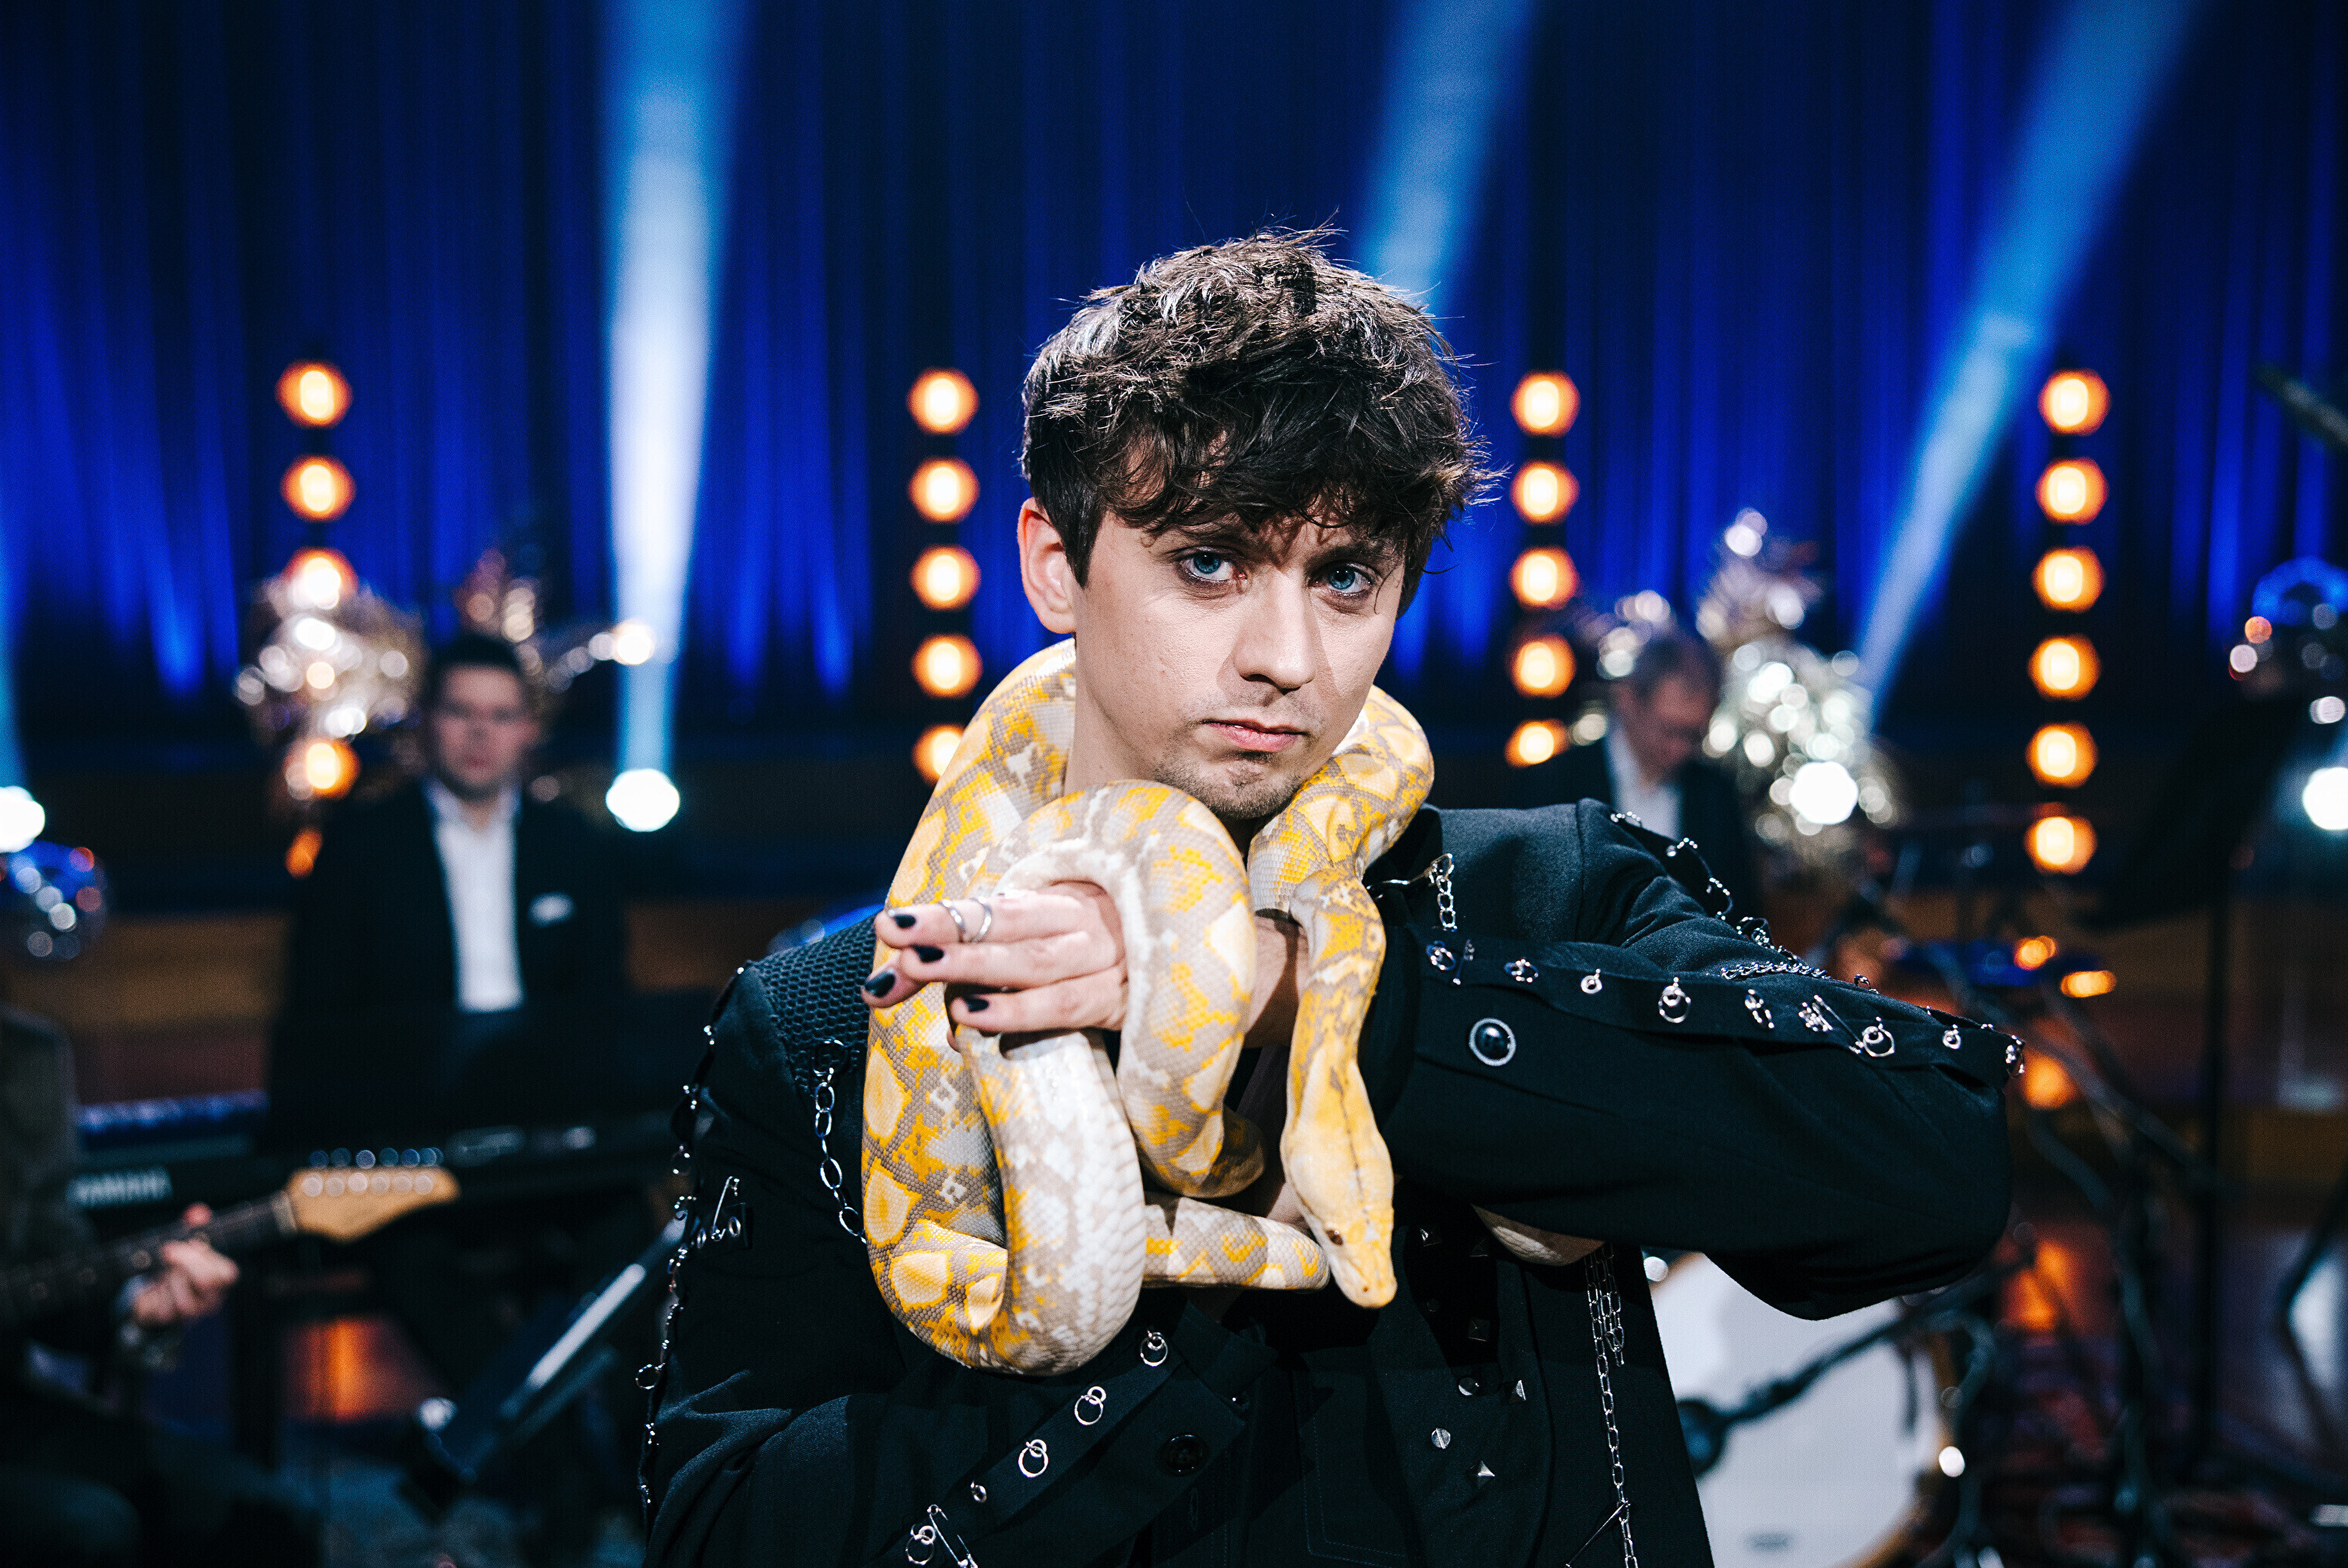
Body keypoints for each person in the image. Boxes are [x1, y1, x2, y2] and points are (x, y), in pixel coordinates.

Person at [641, 234, 2010, 1566]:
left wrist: (1294, 991)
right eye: (1208, 562)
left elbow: (1933, 1166)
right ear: (1056, 563)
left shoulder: (1546, 896)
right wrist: (1140, 1304)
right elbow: (718, 1526)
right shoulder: (834, 1019)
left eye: (1345, 577)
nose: (1286, 658)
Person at [272, 631, 629, 1136]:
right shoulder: (360, 847)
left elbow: (604, 1003)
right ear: (426, 722)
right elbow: (322, 1017)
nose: (480, 732)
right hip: (407, 1116)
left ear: (528, 729)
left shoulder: (573, 845)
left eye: (501, 716)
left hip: (549, 1113)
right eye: (461, 712)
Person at [0, 1005, 314, 1567]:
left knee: (265, 1517)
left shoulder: (19, 1053)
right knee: (88, 1531)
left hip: (7, 1411)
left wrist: (140, 1308)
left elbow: (50, 1274)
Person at [1536, 626, 1763, 920]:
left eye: (1694, 736)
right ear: (1628, 700)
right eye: (1669, 730)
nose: (1680, 750)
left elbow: (1739, 912)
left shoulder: (1716, 793)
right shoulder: (1553, 782)